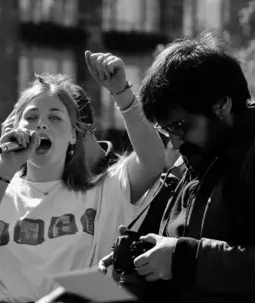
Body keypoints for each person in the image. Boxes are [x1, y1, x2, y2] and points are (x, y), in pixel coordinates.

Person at [0, 43, 165, 301]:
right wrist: (3, 171)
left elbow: (152, 161)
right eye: (30, 117)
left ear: (74, 135)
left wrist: (121, 92)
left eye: (55, 118)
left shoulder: (106, 188)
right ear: (13, 127)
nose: (40, 124)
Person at [102, 30, 255, 303]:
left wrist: (183, 258)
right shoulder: (191, 165)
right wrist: (141, 263)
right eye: (165, 129)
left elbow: (186, 259)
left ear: (221, 104)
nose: (174, 141)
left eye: (180, 126)